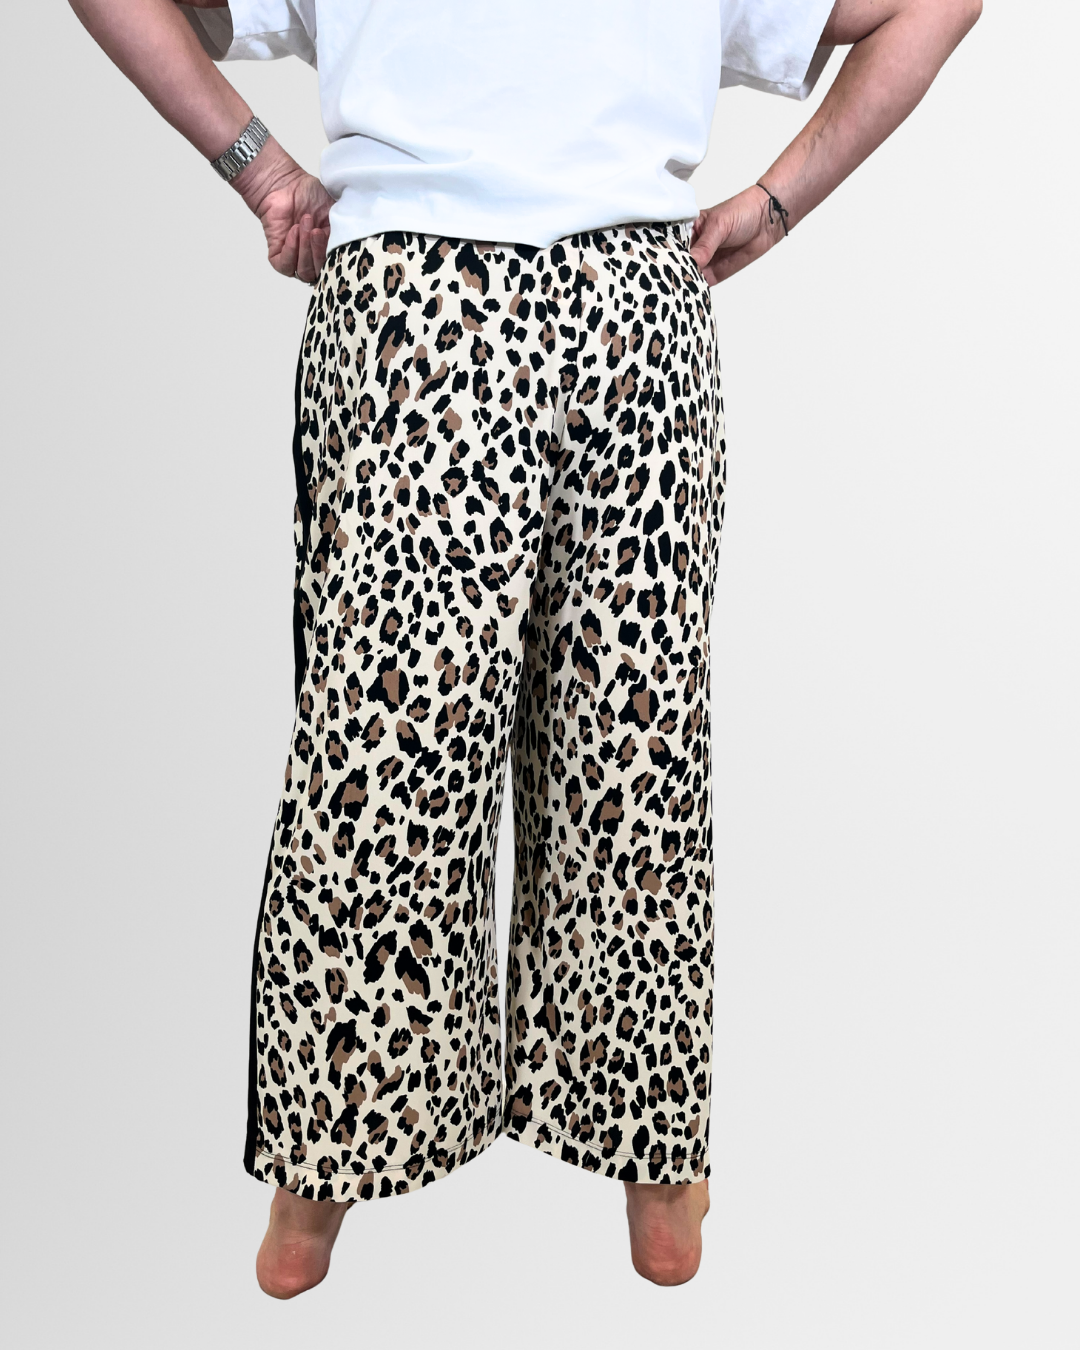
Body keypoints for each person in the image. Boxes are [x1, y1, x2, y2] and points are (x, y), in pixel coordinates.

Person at [69, 0, 980, 1296]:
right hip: (627, 316)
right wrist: (774, 206)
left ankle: (320, 1179)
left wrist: (262, 170)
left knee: (384, 767)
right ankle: (654, 1174)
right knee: (628, 757)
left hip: (417, 319)